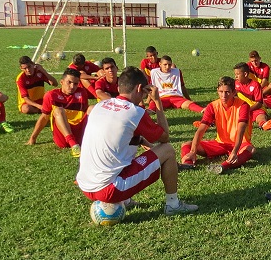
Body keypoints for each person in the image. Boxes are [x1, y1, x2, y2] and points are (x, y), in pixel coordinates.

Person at [76, 66, 197, 215]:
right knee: (168, 150)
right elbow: (165, 137)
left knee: (123, 150)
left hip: (85, 185)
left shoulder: (99, 106)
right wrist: (157, 102)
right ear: (139, 88)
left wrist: (145, 144)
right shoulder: (134, 112)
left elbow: (125, 137)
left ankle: (126, 200)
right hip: (109, 190)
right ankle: (173, 204)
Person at [179, 77, 255, 174]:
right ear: (217, 91)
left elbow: (241, 130)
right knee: (186, 145)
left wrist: (235, 151)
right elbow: (201, 129)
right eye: (221, 92)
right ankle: (187, 164)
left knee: (250, 149)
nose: (223, 95)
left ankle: (222, 167)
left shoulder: (243, 105)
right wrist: (193, 151)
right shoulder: (212, 106)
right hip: (220, 143)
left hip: (240, 143)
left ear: (234, 92)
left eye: (227, 92)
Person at [27, 68, 92, 156]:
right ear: (61, 82)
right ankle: (73, 145)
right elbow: (44, 117)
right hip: (62, 136)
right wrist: (33, 137)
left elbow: (86, 114)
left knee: (92, 108)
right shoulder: (51, 95)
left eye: (75, 83)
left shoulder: (82, 92)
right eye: (69, 82)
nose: (72, 86)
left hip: (79, 133)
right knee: (58, 110)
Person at [232, 63, 271, 131]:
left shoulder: (255, 85)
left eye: (237, 74)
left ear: (245, 74)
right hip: (242, 110)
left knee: (261, 116)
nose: (236, 76)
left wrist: (248, 109)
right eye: (235, 74)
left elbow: (259, 104)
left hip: (255, 109)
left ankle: (263, 124)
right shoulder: (235, 84)